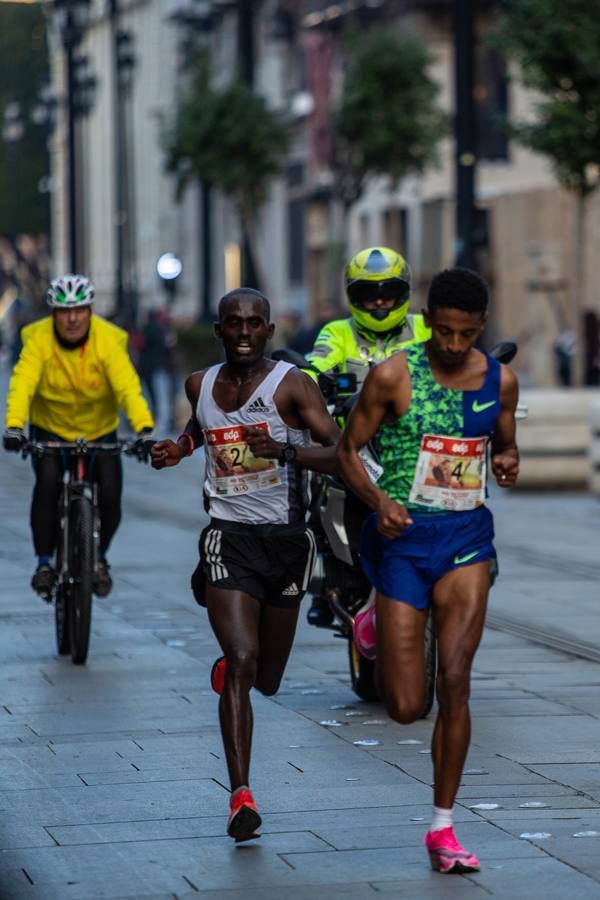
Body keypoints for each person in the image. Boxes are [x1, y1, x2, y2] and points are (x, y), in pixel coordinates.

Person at [337, 268, 519, 873]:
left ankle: (443, 828)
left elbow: (504, 443)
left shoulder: (500, 381)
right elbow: (347, 450)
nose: (452, 345)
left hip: (467, 539)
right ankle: (372, 615)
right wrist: (380, 501)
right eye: (442, 331)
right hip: (403, 540)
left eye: (465, 335)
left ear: (480, 328)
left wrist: (511, 461)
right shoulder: (395, 376)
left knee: (457, 679)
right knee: (406, 707)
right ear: (428, 321)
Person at [150, 287, 340, 842]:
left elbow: (341, 451)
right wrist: (179, 449)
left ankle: (240, 668)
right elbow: (200, 428)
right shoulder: (200, 384)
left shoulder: (293, 387)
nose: (242, 333)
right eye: (232, 323)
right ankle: (241, 798)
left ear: (269, 331)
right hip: (227, 538)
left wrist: (284, 451)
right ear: (218, 329)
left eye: (254, 324)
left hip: (286, 544)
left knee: (269, 680)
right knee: (242, 657)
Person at [3, 274, 154, 600]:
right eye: (63, 311)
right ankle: (44, 563)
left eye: (80, 310)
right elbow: (22, 383)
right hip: (50, 427)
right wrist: (15, 426)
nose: (72, 319)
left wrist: (144, 429)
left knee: (112, 494)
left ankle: (99, 558)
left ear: (89, 311)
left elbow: (127, 386)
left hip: (99, 429)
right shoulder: (38, 340)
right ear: (53, 314)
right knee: (47, 483)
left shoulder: (107, 340)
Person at [305, 245, 431, 625]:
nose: (378, 301)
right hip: (354, 449)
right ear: (352, 297)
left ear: (404, 293)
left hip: (415, 446)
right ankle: (325, 581)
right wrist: (312, 383)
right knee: (316, 495)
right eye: (368, 293)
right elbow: (315, 366)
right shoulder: (336, 332)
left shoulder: (424, 327)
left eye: (387, 292)